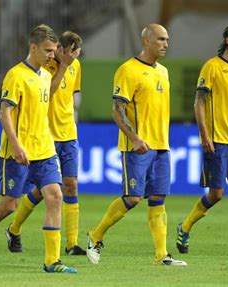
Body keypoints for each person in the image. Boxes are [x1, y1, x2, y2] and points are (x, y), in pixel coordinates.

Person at [0, 24, 77, 273]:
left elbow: (49, 93)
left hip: (44, 149)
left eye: (54, 51)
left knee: (55, 196)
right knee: (8, 206)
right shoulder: (15, 75)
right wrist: (15, 144)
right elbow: (4, 113)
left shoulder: (45, 75)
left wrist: (63, 67)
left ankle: (52, 260)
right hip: (18, 152)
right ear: (32, 47)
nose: (51, 56)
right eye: (47, 51)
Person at [86, 24, 187, 267]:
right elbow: (117, 110)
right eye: (161, 39)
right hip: (137, 147)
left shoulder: (163, 71)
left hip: (161, 145)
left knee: (158, 198)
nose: (165, 43)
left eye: (167, 39)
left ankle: (162, 255)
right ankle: (95, 235)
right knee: (132, 198)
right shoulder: (128, 70)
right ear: (147, 41)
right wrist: (134, 138)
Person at [175, 22, 228, 256]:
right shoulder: (211, 67)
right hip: (218, 140)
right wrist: (204, 135)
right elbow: (199, 103)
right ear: (227, 40)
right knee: (217, 194)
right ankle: (185, 225)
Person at [5, 31, 87, 256]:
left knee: (70, 185)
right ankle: (14, 228)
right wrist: (62, 67)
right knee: (42, 191)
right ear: (60, 48)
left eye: (75, 53)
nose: (71, 56)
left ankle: (71, 243)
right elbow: (49, 93)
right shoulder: (45, 67)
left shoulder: (76, 66)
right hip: (46, 136)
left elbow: (73, 95)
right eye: (67, 51)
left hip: (68, 133)